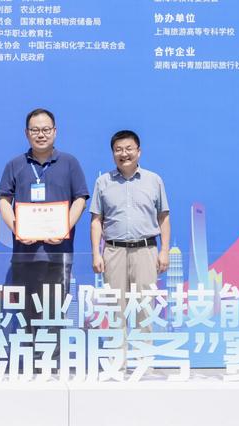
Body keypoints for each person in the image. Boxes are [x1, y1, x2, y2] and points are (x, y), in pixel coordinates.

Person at [0, 108, 89, 355]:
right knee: (27, 311)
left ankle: (51, 361)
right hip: (24, 254)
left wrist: (64, 227)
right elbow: (4, 200)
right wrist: (17, 228)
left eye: (46, 129)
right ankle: (30, 360)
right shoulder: (15, 165)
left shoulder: (69, 163)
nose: (41, 134)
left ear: (55, 131)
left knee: (55, 310)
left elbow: (80, 199)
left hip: (58, 253)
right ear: (26, 133)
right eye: (35, 130)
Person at [90, 129, 171, 363]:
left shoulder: (154, 180)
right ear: (112, 153)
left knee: (145, 308)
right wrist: (96, 253)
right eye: (118, 150)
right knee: (115, 308)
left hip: (146, 250)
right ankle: (117, 363)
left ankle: (144, 363)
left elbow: (163, 217)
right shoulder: (103, 182)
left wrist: (164, 250)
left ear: (139, 151)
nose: (124, 154)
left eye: (128, 149)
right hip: (113, 251)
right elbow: (96, 220)